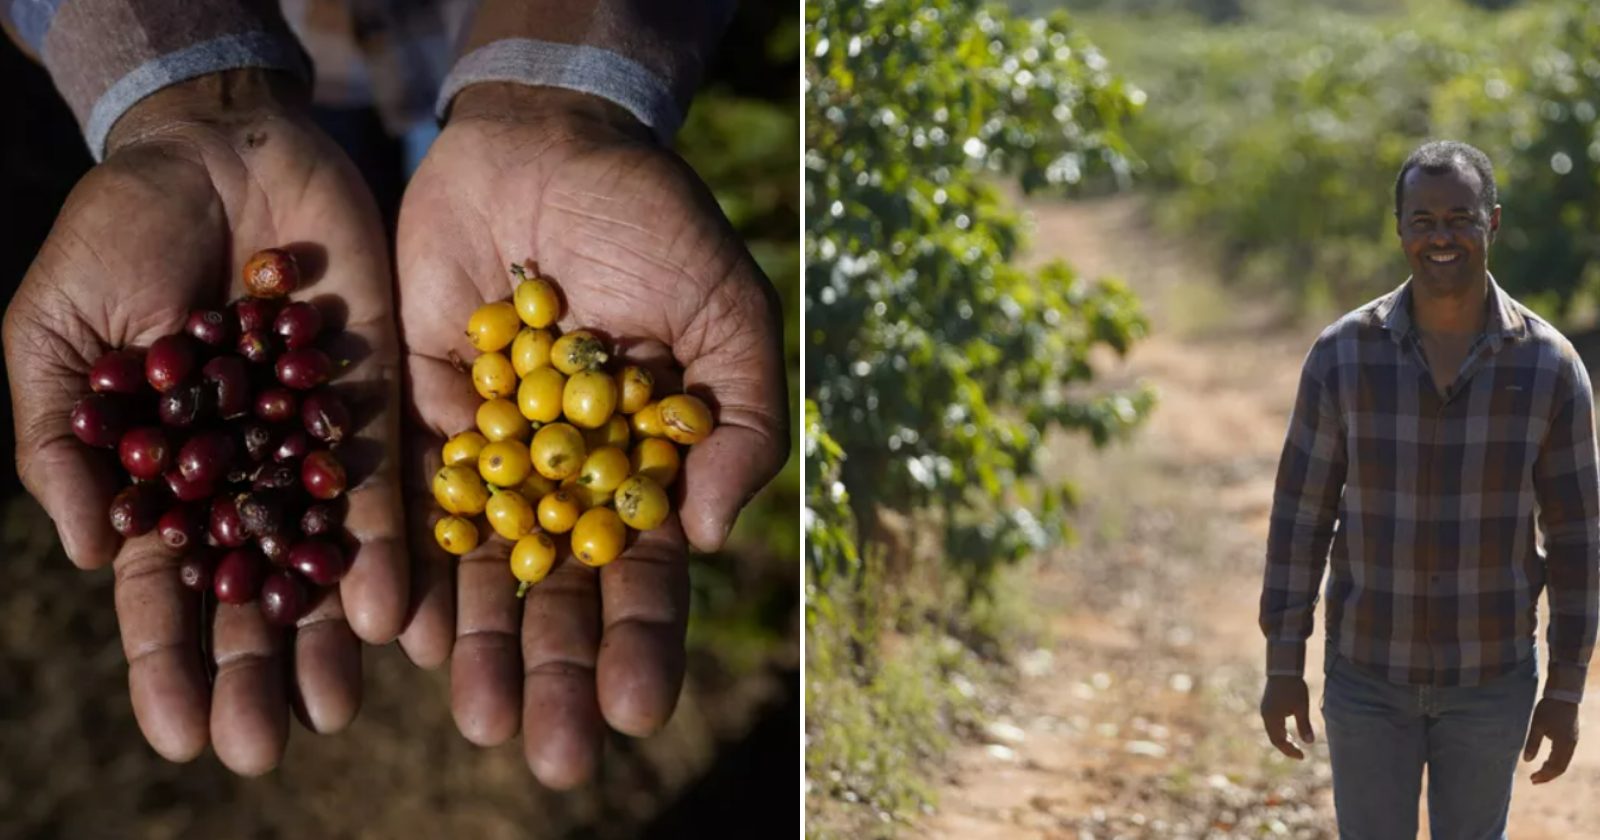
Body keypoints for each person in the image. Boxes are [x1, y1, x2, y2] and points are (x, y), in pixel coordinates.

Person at [0, 0, 788, 787]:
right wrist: (191, 96)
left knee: (423, 210)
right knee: (356, 192)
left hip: (488, 58)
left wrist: (556, 94)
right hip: (282, 65)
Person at [1258, 139, 1599, 836]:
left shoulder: (1550, 367)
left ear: (1492, 223)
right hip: (1367, 675)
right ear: (1400, 229)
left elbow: (1576, 543)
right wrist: (1283, 664)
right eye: (1423, 220)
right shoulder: (1342, 356)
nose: (1441, 237)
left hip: (1492, 678)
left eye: (1459, 218)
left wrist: (1565, 689)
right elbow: (1301, 519)